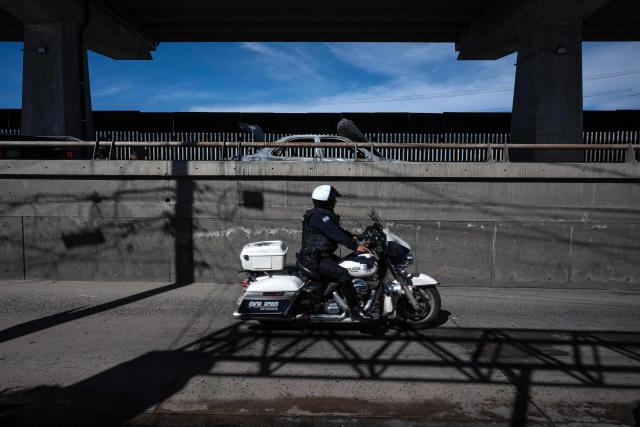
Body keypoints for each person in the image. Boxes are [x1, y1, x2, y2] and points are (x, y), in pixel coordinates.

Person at [299, 184, 373, 321]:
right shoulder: (319, 217)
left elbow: (337, 230)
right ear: (325, 201)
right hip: (315, 259)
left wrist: (354, 237)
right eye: (333, 199)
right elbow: (335, 234)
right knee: (343, 274)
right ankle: (356, 310)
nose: (335, 201)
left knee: (345, 265)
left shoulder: (322, 216)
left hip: (320, 256)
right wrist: (355, 246)